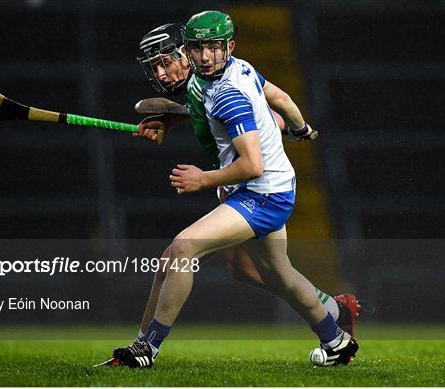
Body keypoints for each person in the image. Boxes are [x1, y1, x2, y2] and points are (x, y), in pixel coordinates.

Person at [110, 15, 358, 368]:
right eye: (199, 48)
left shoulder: (227, 95)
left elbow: (252, 164)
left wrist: (203, 179)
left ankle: (145, 348)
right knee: (268, 272)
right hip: (271, 186)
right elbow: (281, 100)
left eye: (167, 62)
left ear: (227, 46)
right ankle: (336, 334)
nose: (205, 55)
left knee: (181, 250)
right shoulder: (230, 72)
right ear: (190, 50)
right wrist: (302, 129)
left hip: (259, 192)